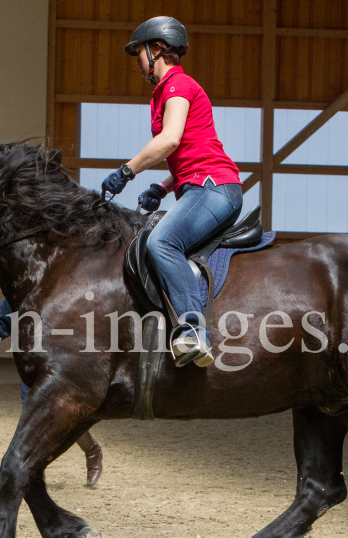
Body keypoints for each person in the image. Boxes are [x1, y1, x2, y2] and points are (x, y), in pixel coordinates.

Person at [100, 16, 244, 368]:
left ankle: (193, 329)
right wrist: (163, 187)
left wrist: (127, 170)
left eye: (139, 55)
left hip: (213, 188)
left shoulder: (178, 85)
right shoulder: (167, 91)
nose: (138, 64)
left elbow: (170, 139)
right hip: (199, 185)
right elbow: (191, 151)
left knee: (162, 242)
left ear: (156, 50)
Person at [0, 298, 104, 486]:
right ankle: (36, 473)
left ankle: (92, 450)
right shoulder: (16, 293)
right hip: (32, 367)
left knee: (66, 419)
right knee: (32, 421)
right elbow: (0, 327)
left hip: (62, 364)